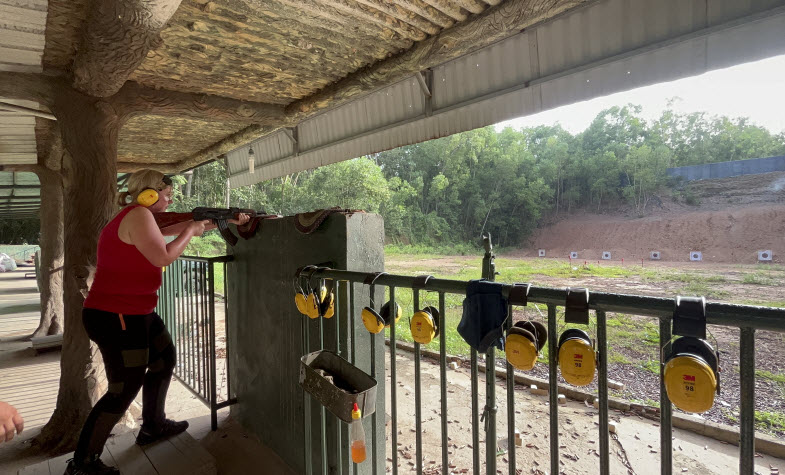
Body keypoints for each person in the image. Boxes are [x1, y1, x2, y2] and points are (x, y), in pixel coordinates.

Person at [67, 170, 249, 475]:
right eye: (166, 194)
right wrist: (190, 232)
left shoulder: (140, 216)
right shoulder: (138, 215)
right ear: (149, 194)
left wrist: (219, 220)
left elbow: (170, 227)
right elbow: (163, 257)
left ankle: (152, 425)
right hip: (117, 316)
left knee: (164, 358)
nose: (170, 198)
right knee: (123, 388)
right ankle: (83, 463)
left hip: (135, 312)